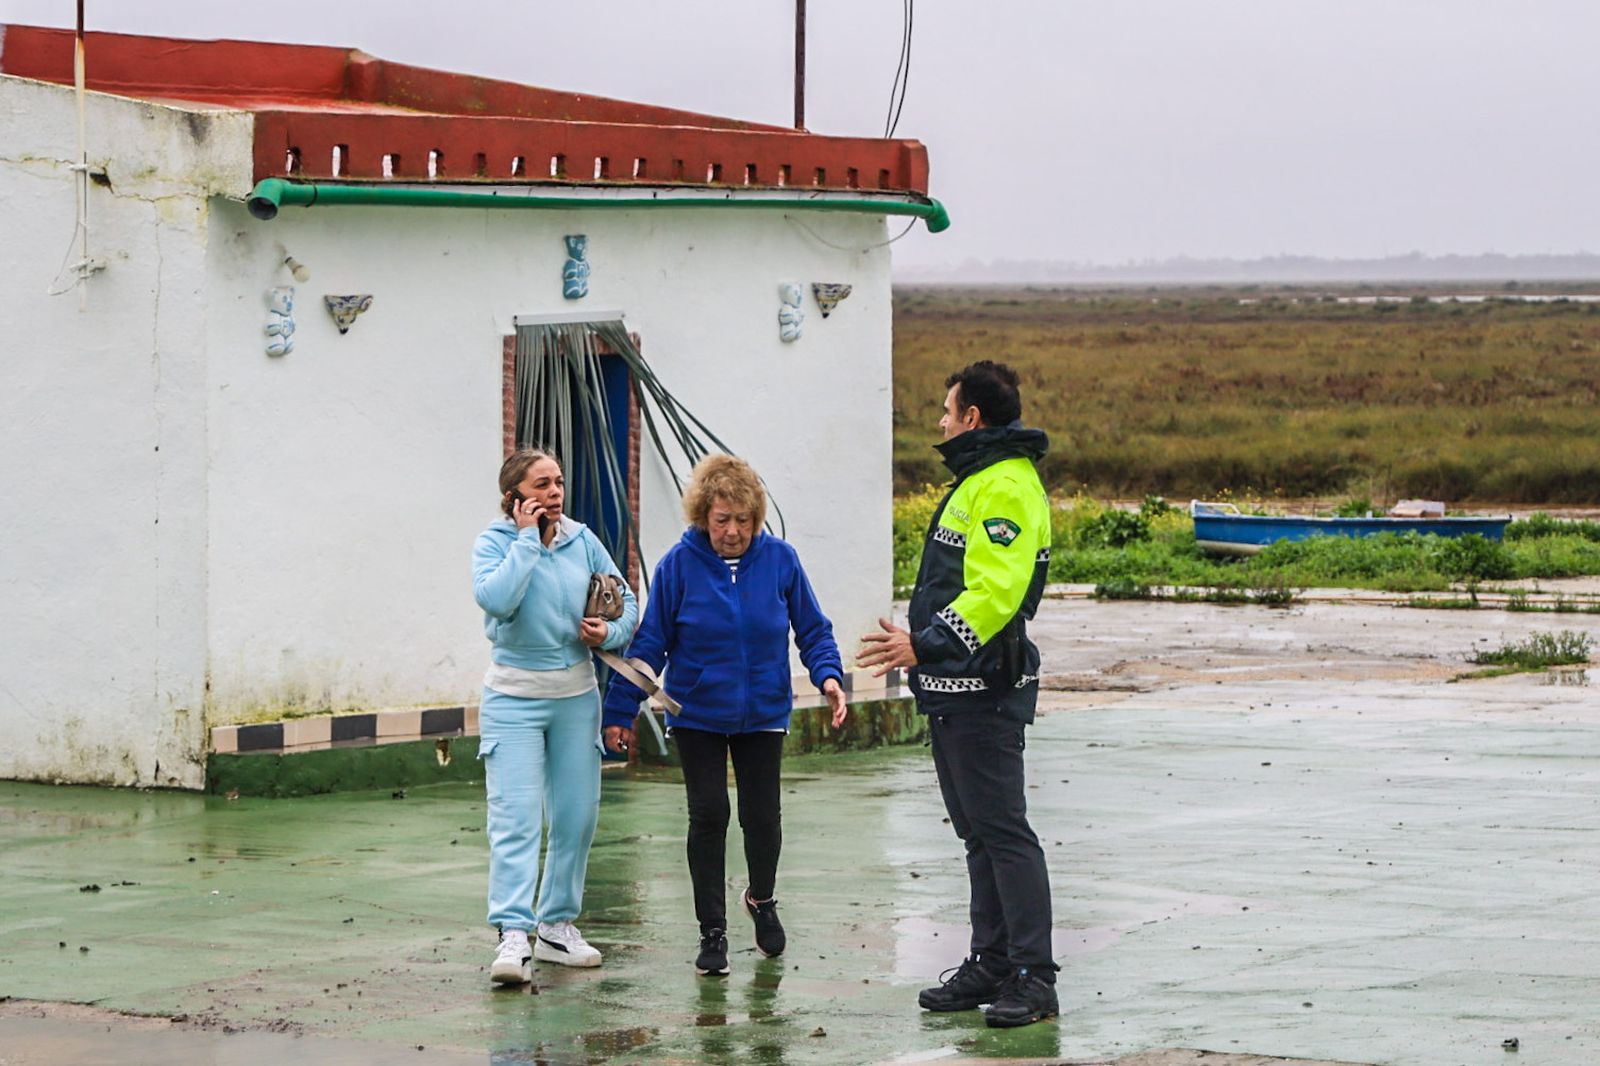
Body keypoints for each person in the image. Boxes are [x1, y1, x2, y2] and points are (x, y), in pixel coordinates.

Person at [857, 360, 1059, 1028]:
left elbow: (996, 592)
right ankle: (992, 961)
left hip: (984, 691)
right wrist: (926, 653)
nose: (940, 424)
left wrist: (927, 642)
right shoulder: (979, 480)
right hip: (950, 691)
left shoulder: (1004, 484)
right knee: (977, 834)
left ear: (972, 418)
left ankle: (1034, 976)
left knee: (1003, 833)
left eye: (946, 412)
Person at [602, 454, 848, 977]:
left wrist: (829, 676)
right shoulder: (678, 564)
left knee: (763, 816)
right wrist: (619, 710)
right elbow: (650, 644)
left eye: (743, 521)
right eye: (722, 520)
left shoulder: (781, 560)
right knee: (709, 815)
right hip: (698, 713)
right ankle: (711, 931)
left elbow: (813, 629)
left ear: (756, 520)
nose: (733, 532)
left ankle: (761, 898)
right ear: (702, 516)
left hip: (763, 709)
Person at [472, 447, 639, 984]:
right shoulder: (494, 544)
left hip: (575, 698)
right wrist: (527, 541)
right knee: (516, 816)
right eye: (541, 485)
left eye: (558, 482)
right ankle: (513, 935)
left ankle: (557, 927)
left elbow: (627, 600)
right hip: (513, 699)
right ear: (514, 497)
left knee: (576, 815)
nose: (554, 493)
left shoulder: (582, 539)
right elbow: (496, 600)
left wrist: (608, 633)